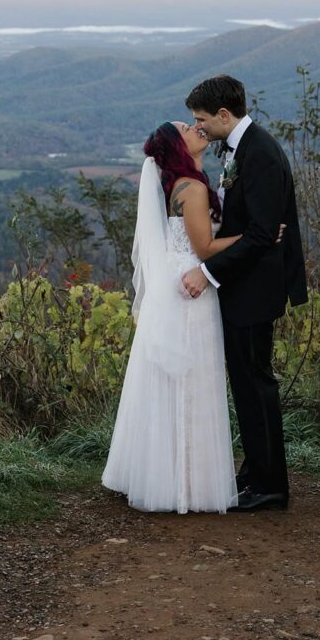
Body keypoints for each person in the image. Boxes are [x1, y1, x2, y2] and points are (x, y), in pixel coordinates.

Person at [101, 120, 242, 513]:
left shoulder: (181, 183)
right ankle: (188, 486)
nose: (196, 127)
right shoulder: (193, 188)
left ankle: (171, 478)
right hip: (190, 291)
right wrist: (256, 237)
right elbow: (207, 247)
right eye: (186, 128)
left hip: (176, 283)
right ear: (177, 146)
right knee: (192, 381)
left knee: (176, 381)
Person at [182, 75, 307, 512]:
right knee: (247, 384)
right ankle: (255, 472)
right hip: (245, 288)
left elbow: (259, 236)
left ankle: (270, 485)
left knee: (256, 385)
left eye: (201, 120)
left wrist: (207, 273)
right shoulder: (242, 149)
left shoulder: (260, 154)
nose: (197, 127)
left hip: (254, 290)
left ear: (223, 115)